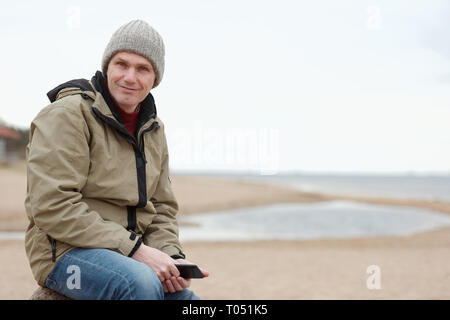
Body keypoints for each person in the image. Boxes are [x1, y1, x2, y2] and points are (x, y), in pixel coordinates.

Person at [24, 19, 208, 300]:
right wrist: (137, 250)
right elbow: (52, 206)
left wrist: (171, 256)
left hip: (128, 253)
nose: (130, 77)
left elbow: (160, 208)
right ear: (107, 67)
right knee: (140, 284)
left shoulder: (154, 128)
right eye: (122, 64)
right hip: (64, 255)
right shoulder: (68, 115)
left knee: (188, 301)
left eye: (142, 68)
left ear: (155, 78)